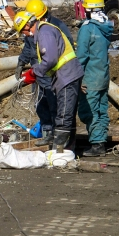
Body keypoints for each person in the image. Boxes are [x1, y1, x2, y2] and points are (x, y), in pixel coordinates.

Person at [13, 10, 84, 152]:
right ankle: (66, 147)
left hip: (66, 75)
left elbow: (50, 59)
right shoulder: (43, 31)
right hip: (64, 75)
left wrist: (34, 72)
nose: (24, 35)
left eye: (23, 31)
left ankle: (60, 152)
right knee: (65, 112)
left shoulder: (44, 33)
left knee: (64, 114)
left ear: (27, 25)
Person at [76, 0, 113, 157]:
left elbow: (81, 56)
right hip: (103, 76)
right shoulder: (105, 27)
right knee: (101, 109)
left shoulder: (87, 29)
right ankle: (102, 140)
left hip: (90, 78)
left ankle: (97, 144)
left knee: (88, 111)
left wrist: (76, 77)